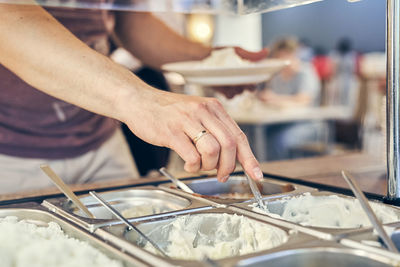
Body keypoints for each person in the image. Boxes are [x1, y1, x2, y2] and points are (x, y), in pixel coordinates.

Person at [0, 1, 266, 194]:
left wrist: (211, 61)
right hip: (11, 150)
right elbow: (7, 15)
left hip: (101, 139)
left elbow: (128, 18)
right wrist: (142, 100)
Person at [258, 38, 322, 160]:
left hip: (308, 124)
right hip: (282, 123)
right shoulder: (277, 76)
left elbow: (304, 100)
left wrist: (275, 99)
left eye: (286, 56)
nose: (283, 61)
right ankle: (262, 172)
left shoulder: (305, 72)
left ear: (294, 55)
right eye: (280, 57)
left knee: (278, 140)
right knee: (258, 136)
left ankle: (280, 173)